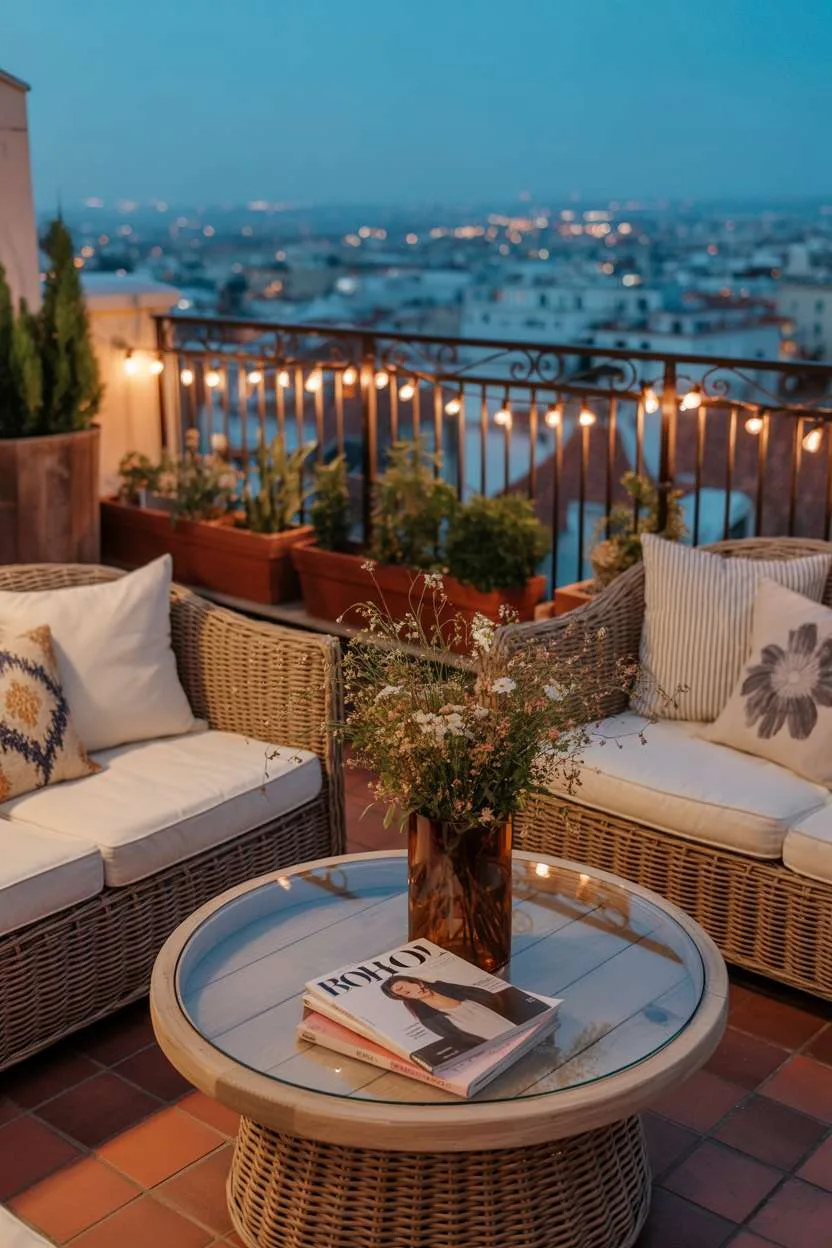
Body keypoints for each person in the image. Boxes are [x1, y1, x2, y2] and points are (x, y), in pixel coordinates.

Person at [380, 974, 547, 1049]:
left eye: (403, 987)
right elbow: (454, 1037)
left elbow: (481, 995)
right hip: (477, 1035)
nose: (404, 991)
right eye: (400, 993)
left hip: (483, 1012)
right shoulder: (427, 1016)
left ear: (414, 981)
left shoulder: (442, 986)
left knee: (520, 1035)